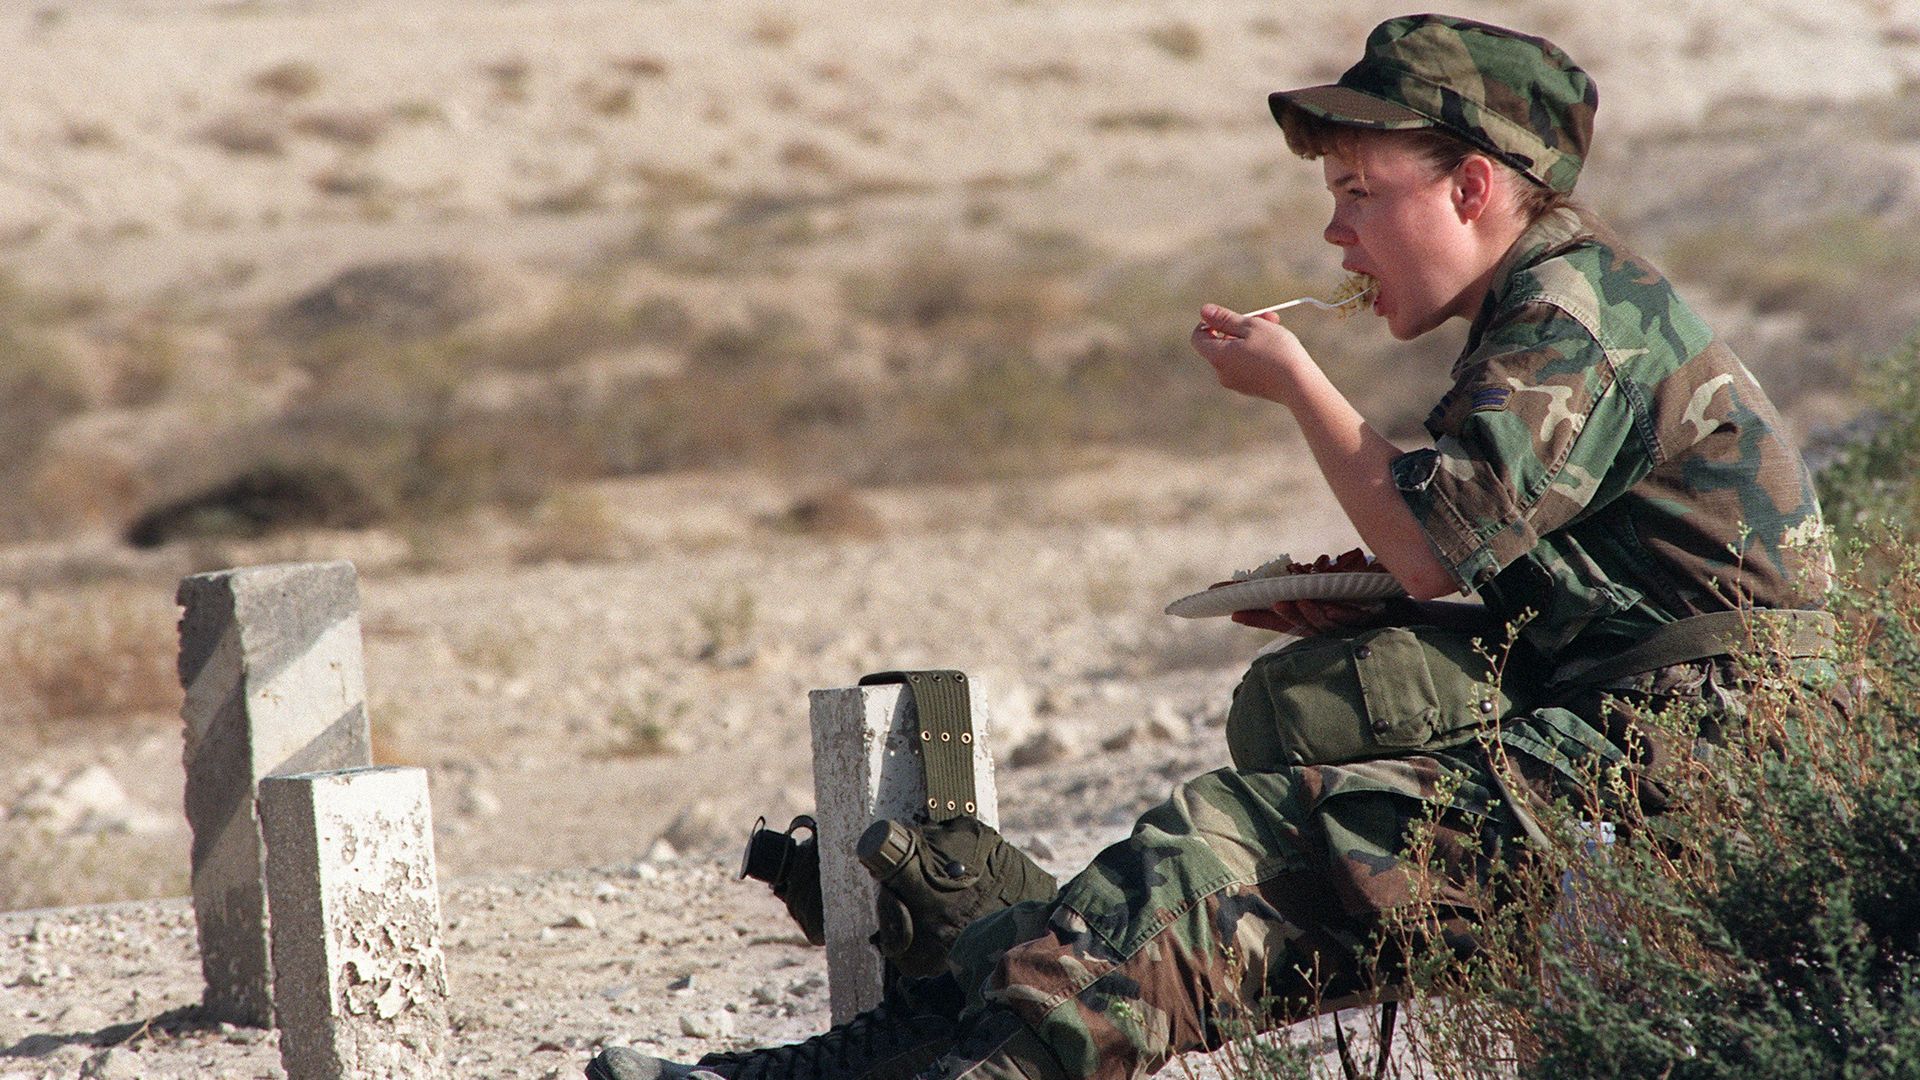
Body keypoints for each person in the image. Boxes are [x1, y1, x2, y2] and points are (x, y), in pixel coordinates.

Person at [589, 14, 1832, 1080]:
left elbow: (1433, 542)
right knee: (1261, 758)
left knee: (1213, 852)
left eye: (1361, 192)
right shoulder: (1551, 302)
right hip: (1643, 722)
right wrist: (1366, 605)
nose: (1338, 235)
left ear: (1473, 187)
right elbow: (1501, 561)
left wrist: (1299, 387)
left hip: (1691, 756)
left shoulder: (1575, 314)